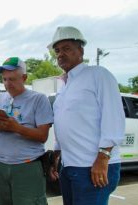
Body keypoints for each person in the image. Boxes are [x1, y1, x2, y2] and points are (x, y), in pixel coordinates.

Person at [47, 26, 125, 205]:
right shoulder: (65, 86)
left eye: (66, 48)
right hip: (68, 166)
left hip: (93, 166)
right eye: (57, 51)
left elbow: (113, 118)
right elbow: (63, 124)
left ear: (80, 50)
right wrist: (57, 156)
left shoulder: (98, 75)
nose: (60, 54)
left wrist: (103, 158)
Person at [0, 57, 53, 205]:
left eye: (11, 79)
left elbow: (43, 136)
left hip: (26, 166)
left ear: (24, 78)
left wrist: (16, 128)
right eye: (4, 79)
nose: (7, 84)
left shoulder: (38, 99)